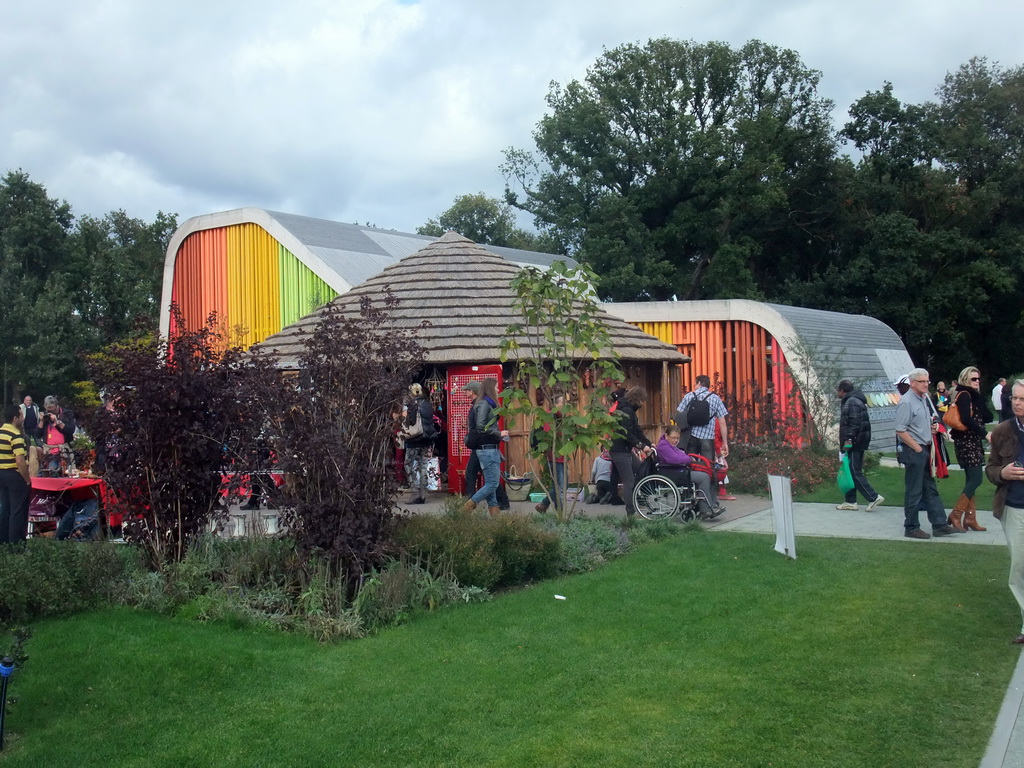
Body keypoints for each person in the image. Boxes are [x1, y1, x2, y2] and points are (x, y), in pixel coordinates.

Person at [894, 368, 958, 539]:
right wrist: (916, 448)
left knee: (930, 488)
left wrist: (931, 428)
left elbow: (922, 421)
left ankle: (939, 524)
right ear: (912, 383)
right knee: (914, 490)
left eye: (927, 381)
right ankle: (911, 526)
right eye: (922, 381)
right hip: (915, 450)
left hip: (926, 449)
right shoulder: (907, 402)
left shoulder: (923, 398)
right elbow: (900, 430)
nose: (926, 384)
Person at [985, 379, 1024, 643]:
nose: (1018, 403)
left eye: (1023, 399)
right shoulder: (1002, 431)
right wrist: (1003, 472)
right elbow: (990, 468)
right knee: (1020, 566)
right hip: (1015, 507)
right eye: (1015, 399)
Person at [947, 367, 993, 532]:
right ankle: (956, 514)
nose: (977, 381)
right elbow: (966, 419)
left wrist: (979, 397)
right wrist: (985, 434)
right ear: (965, 379)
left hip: (972, 442)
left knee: (971, 480)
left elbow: (988, 417)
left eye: (978, 379)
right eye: (974, 379)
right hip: (967, 442)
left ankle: (970, 518)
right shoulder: (964, 395)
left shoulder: (973, 396)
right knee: (976, 479)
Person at [675, 375, 727, 510]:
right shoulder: (715, 398)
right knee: (708, 470)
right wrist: (725, 442)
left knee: (689, 467)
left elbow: (679, 414)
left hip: (690, 438)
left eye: (695, 383)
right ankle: (710, 503)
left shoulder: (689, 396)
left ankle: (688, 501)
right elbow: (722, 422)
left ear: (698, 383)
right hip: (707, 440)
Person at [835, 380, 884, 512]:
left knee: (853, 471)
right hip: (859, 440)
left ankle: (873, 497)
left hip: (854, 442)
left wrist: (849, 439)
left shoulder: (851, 402)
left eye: (838, 390)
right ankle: (850, 501)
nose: (837, 393)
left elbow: (854, 422)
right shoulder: (855, 400)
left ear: (842, 390)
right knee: (849, 469)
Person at [463, 378, 508, 515]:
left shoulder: (486, 403)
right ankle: (469, 505)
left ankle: (495, 512)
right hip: (487, 449)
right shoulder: (484, 403)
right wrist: (499, 433)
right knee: (492, 483)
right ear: (490, 388)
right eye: (496, 387)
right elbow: (481, 426)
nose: (498, 390)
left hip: (488, 447)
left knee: (490, 482)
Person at [655, 425, 719, 519]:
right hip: (674, 474)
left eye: (677, 438)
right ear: (666, 436)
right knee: (704, 477)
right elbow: (676, 459)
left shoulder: (669, 445)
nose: (676, 440)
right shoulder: (663, 446)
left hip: (680, 471)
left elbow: (681, 456)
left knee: (710, 475)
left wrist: (686, 458)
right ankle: (705, 510)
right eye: (673, 438)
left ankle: (713, 505)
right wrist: (688, 459)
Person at [609, 386, 653, 518]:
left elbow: (637, 430)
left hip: (624, 449)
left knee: (640, 469)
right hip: (619, 450)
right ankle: (631, 513)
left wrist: (649, 443)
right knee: (629, 481)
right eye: (642, 401)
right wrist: (641, 446)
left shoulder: (628, 410)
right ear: (637, 399)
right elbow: (626, 433)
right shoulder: (626, 410)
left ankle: (639, 500)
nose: (642, 404)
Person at [0, 404, 32, 544]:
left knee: (5, 508)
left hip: (1, 474)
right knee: (18, 510)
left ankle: (4, 541)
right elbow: (20, 461)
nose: (23, 418)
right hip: (14, 474)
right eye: (21, 415)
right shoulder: (15, 435)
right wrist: (27, 480)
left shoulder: (1, 433)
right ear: (15, 418)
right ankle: (16, 543)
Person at [402, 383, 437, 504]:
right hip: (426, 439)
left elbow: (410, 421)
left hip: (414, 438)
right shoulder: (428, 404)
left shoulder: (411, 405)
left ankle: (415, 491)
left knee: (409, 464)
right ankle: (423, 493)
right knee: (423, 465)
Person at [535, 393, 567, 514]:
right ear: (557, 404)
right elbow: (548, 436)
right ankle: (559, 510)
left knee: (564, 485)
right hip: (554, 456)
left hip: (562, 455)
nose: (565, 406)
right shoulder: (550, 417)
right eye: (563, 403)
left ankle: (543, 504)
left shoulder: (561, 417)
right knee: (559, 486)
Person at [40, 395, 76, 477]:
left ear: (57, 406)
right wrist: (41, 421)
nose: (51, 412)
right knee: (52, 472)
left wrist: (58, 422)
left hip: (64, 449)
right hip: (50, 451)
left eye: (52, 410)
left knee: (68, 473)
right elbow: (37, 434)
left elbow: (71, 430)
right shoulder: (46, 416)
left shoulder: (67, 414)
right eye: (48, 410)